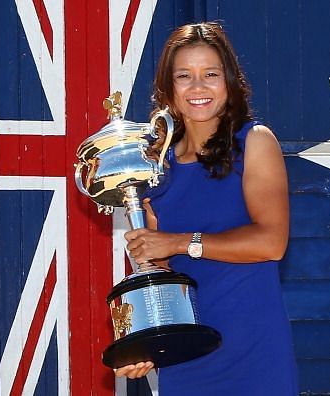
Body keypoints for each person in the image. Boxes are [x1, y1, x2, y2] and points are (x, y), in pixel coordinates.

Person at [115, 22, 299, 395]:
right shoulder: (154, 166)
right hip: (187, 355)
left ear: (228, 81)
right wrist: (145, 338)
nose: (198, 88)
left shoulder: (255, 143)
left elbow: (271, 242)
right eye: (185, 76)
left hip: (254, 353)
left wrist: (178, 241)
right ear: (169, 88)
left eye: (210, 74)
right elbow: (163, 271)